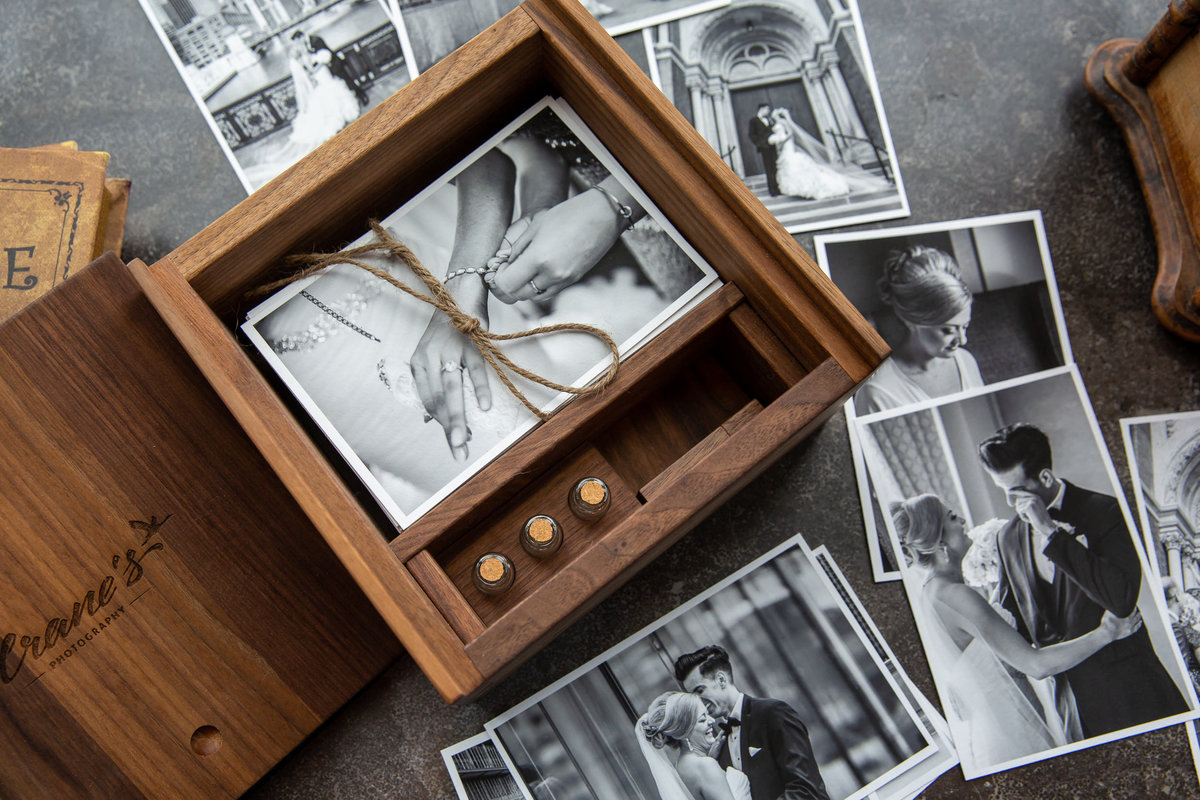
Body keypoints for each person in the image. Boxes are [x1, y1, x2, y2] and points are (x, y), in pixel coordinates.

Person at [891, 493, 1142, 772]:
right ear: (938, 541)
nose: (962, 520)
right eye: (952, 518)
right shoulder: (954, 595)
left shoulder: (936, 592)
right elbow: (1036, 665)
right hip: (1012, 739)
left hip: (1010, 727)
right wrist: (1107, 632)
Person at [979, 423, 1190, 739]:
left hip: (1134, 694)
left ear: (1046, 478)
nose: (1010, 504)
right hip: (1072, 709)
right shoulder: (1007, 538)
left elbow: (1121, 600)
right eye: (1002, 492)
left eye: (1016, 493)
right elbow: (1017, 626)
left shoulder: (1106, 511)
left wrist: (1050, 531)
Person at [674, 645, 829, 800]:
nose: (698, 702)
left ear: (721, 680)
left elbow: (806, 788)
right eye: (693, 697)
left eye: (699, 691)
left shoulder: (773, 713)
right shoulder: (719, 746)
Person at [854, 245, 983, 415]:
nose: (963, 340)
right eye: (948, 331)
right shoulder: (878, 390)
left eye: (964, 327)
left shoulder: (966, 361)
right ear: (910, 321)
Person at [637, 691, 751, 800]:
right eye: (702, 719)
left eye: (708, 714)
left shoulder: (682, 766)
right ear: (684, 731)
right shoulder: (705, 766)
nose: (711, 720)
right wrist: (709, 763)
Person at [286, 29, 361, 151]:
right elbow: (310, 70)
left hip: (325, 72)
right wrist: (320, 65)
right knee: (330, 92)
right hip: (320, 74)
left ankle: (344, 110)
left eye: (298, 40)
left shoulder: (309, 45)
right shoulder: (302, 55)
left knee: (334, 88)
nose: (299, 43)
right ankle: (338, 115)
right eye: (297, 42)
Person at [747, 103, 780, 197]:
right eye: (767, 109)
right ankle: (772, 190)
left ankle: (778, 188)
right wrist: (760, 144)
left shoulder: (769, 119)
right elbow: (751, 134)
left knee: (775, 167)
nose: (768, 111)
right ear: (761, 109)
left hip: (773, 146)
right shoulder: (753, 120)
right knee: (769, 168)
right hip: (765, 148)